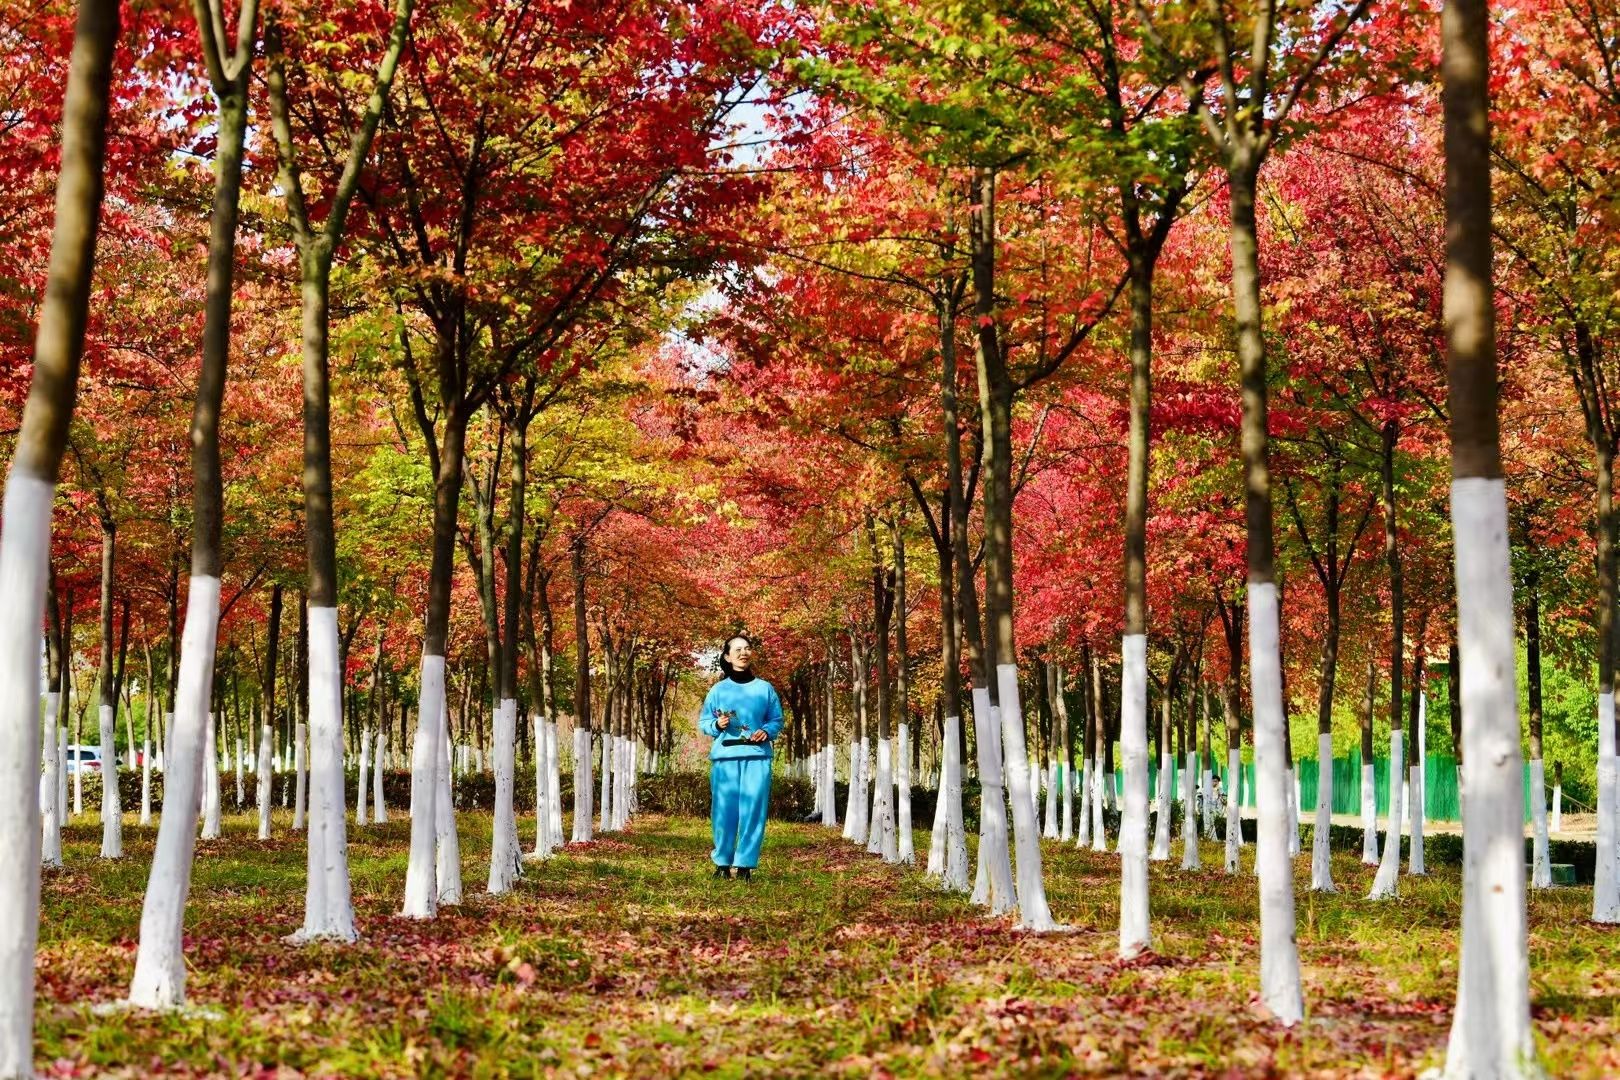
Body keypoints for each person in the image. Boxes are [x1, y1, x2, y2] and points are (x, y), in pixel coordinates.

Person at [698, 635, 784, 881]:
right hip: (725, 757)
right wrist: (717, 723)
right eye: (737, 649)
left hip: (757, 757)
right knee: (723, 811)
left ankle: (745, 865)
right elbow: (704, 722)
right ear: (727, 656)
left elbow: (776, 720)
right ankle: (722, 864)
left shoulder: (765, 688)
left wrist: (766, 731)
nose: (743, 652)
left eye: (747, 648)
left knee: (753, 811)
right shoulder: (718, 690)